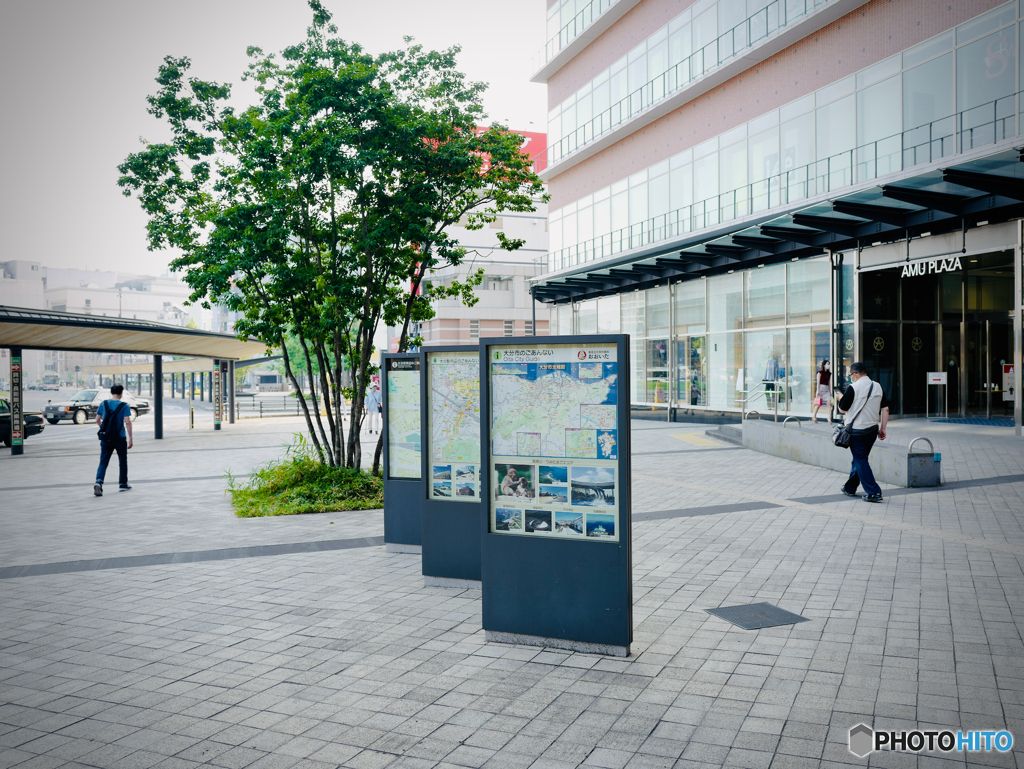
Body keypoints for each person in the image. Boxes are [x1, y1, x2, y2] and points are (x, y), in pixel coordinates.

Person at [837, 361, 889, 503]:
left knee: (860, 460)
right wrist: (883, 428)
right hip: (872, 430)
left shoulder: (853, 388)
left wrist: (839, 398)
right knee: (859, 459)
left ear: (855, 374)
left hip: (857, 431)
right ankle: (850, 487)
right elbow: (885, 409)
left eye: (850, 375)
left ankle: (874, 492)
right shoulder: (877, 386)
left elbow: (842, 409)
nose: (850, 378)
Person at [94, 384, 133, 496]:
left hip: (106, 438)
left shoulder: (104, 404)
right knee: (122, 460)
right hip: (120, 437)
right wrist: (130, 438)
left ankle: (98, 482)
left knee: (103, 461)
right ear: (121, 393)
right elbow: (128, 422)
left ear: (111, 392)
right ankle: (123, 484)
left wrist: (105, 430)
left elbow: (97, 420)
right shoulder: (124, 406)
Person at [812, 360, 833, 424]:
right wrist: (817, 391)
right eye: (827, 364)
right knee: (818, 404)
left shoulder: (829, 373)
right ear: (824, 365)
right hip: (821, 389)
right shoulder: (819, 373)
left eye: (829, 364)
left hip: (826, 389)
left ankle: (829, 418)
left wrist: (830, 392)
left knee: (829, 403)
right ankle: (814, 417)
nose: (828, 365)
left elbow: (829, 383)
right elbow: (818, 382)